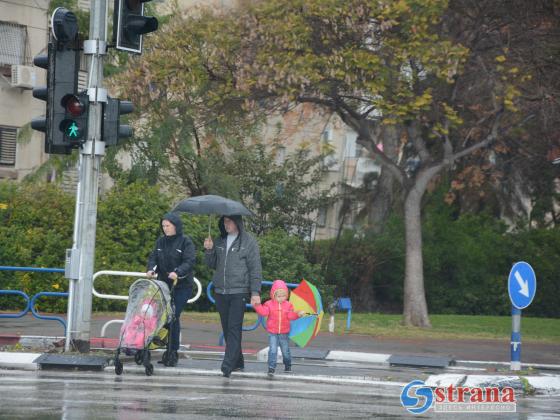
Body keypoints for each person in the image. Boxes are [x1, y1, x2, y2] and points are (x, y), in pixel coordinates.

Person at [204, 215, 262, 377]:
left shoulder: (248, 242)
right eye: (224, 221)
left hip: (239, 291)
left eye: (229, 221)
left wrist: (255, 292)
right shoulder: (220, 240)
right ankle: (238, 361)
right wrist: (208, 250)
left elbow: (255, 268)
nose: (226, 224)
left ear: (237, 222)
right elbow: (211, 264)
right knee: (227, 328)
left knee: (234, 328)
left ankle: (227, 364)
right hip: (221, 291)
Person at [146, 212, 196, 367]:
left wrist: (178, 272)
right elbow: (153, 258)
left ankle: (172, 351)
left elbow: (189, 261)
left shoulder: (185, 242)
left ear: (176, 226)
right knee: (165, 316)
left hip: (182, 286)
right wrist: (151, 269)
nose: (165, 228)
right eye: (163, 226)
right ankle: (166, 346)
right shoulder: (160, 242)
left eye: (168, 226)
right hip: (163, 285)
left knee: (173, 315)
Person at [253, 280, 305, 376]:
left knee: (285, 351)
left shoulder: (289, 305)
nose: (281, 298)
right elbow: (264, 312)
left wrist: (298, 314)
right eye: (279, 296)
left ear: (287, 295)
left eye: (284, 296)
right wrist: (257, 306)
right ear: (273, 295)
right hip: (272, 332)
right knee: (273, 350)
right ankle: (271, 367)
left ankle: (288, 364)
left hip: (284, 332)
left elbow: (290, 316)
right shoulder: (268, 304)